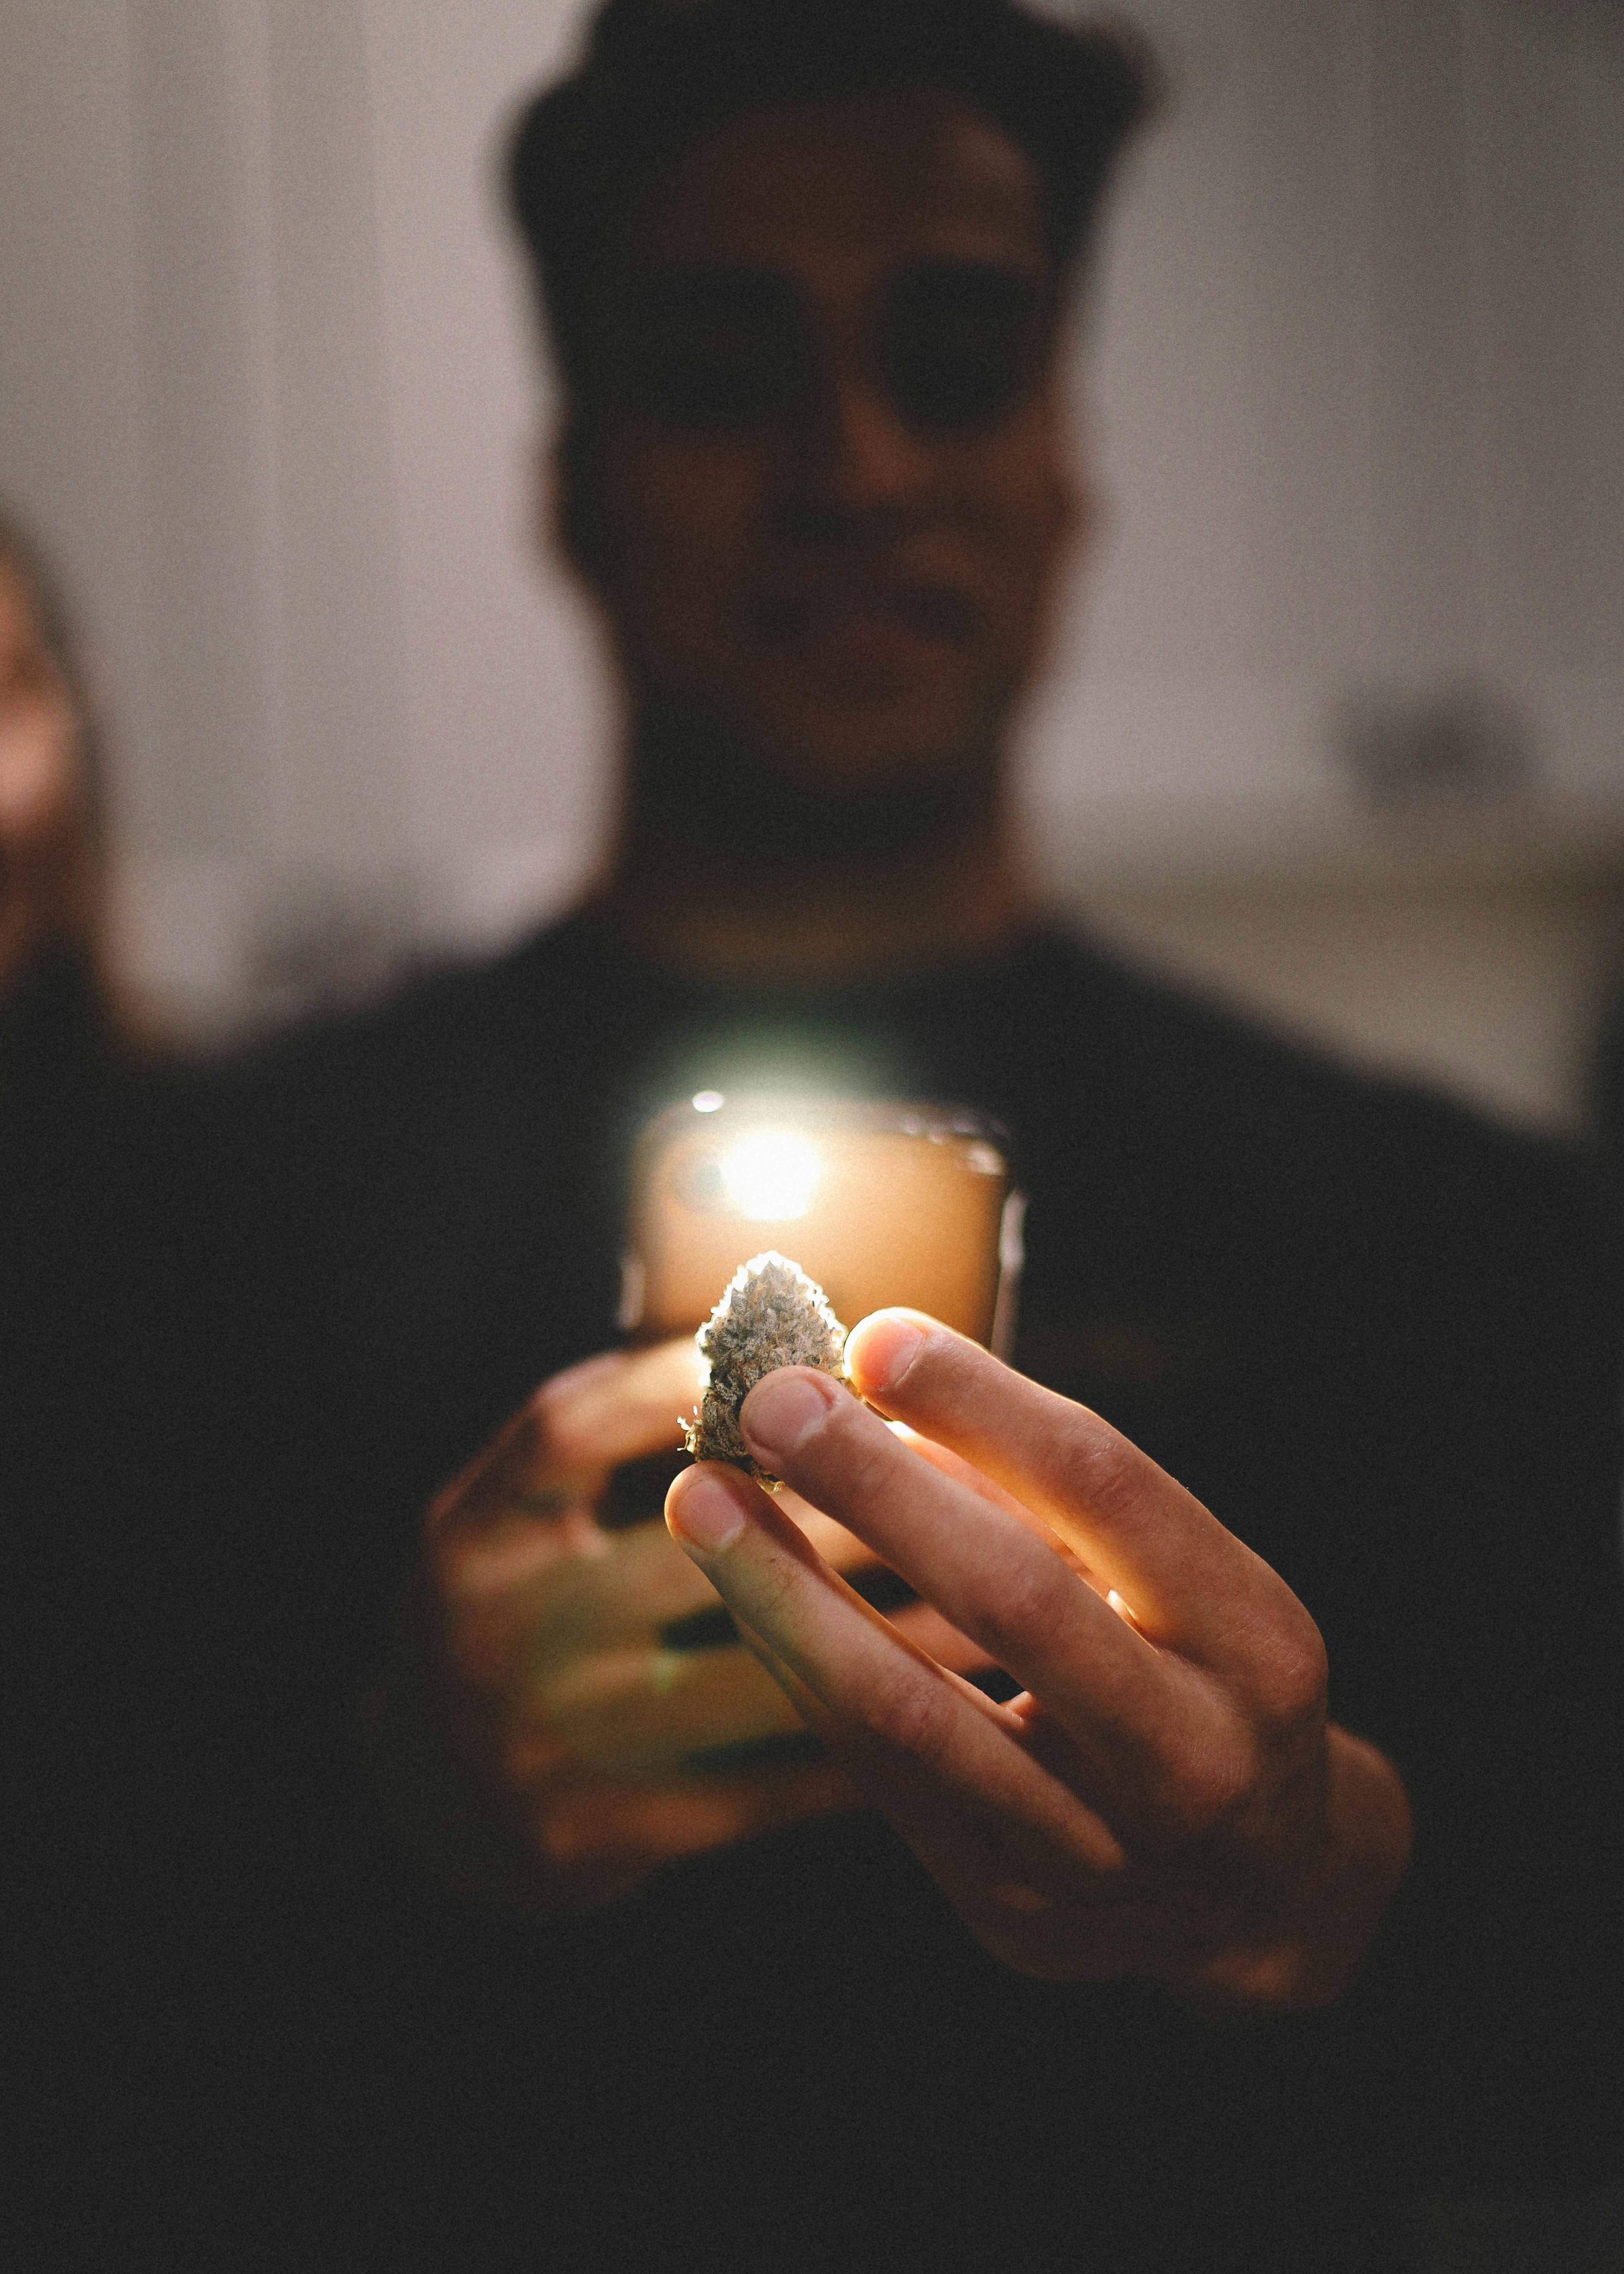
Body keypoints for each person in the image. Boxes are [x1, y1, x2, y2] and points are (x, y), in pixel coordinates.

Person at [36, 5, 1623, 2268]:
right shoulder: (192, 1250)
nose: (854, 462)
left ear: (1068, 455)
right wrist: (369, 1821)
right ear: (565, 469)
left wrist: (1317, 1891)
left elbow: (1567, 2032)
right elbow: (82, 2072)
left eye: (958, 350)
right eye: (718, 360)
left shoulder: (1450, 1249)